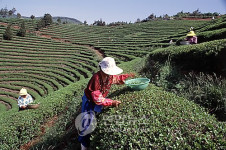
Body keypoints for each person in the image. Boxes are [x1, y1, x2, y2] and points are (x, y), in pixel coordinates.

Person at [78, 57, 135, 150]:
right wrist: (112, 102)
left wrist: (128, 77)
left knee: (94, 118)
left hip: (97, 100)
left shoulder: (109, 77)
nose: (110, 74)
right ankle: (84, 146)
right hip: (89, 102)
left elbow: (117, 79)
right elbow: (98, 99)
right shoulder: (96, 79)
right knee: (86, 126)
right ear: (102, 70)